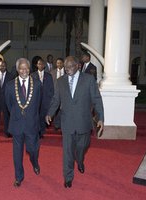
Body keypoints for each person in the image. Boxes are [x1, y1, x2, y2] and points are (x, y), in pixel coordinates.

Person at [45, 56, 104, 188]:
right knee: (67, 151)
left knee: (82, 147)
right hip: (67, 122)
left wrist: (100, 117)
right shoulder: (60, 81)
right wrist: (50, 113)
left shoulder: (88, 80)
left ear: (77, 65)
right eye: (66, 67)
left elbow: (96, 99)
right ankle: (68, 177)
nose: (68, 70)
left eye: (71, 67)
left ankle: (80, 160)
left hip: (84, 121)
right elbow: (56, 99)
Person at [5, 58, 42, 187]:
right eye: (21, 68)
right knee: (17, 153)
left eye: (26, 68)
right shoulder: (10, 85)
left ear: (29, 69)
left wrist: (31, 116)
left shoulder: (37, 84)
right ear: (17, 69)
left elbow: (38, 104)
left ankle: (35, 162)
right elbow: (9, 105)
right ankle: (18, 177)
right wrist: (17, 115)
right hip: (16, 124)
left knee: (32, 150)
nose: (24, 70)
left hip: (31, 123)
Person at [31, 57, 54, 138]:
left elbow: (51, 89)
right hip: (35, 100)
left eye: (42, 64)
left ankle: (41, 132)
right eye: (39, 64)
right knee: (36, 116)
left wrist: (50, 99)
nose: (40, 65)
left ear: (44, 65)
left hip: (45, 100)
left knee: (43, 116)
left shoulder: (49, 76)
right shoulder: (33, 75)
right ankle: (36, 131)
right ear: (37, 65)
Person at [49, 57, 65, 130]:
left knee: (62, 109)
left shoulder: (67, 72)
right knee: (55, 109)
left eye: (60, 63)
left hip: (64, 94)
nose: (59, 64)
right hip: (55, 93)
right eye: (57, 63)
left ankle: (62, 124)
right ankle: (56, 125)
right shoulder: (52, 72)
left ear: (63, 64)